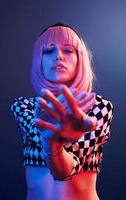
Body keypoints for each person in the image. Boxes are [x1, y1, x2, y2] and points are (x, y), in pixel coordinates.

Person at [11, 22, 113, 200]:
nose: (58, 56)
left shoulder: (99, 107)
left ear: (80, 59)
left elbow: (64, 172)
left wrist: (53, 145)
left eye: (68, 50)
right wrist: (52, 143)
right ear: (39, 59)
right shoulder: (24, 106)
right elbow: (55, 161)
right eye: (49, 50)